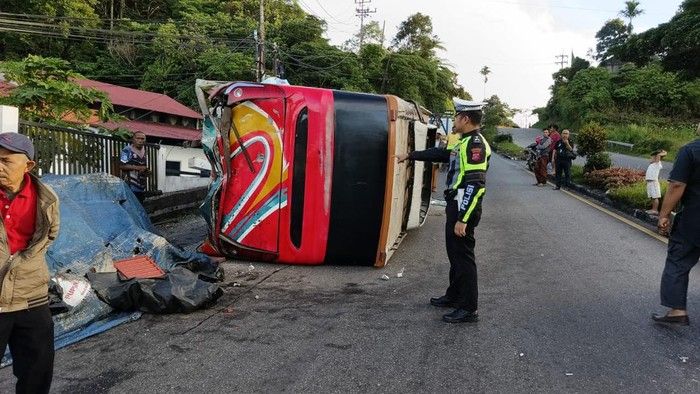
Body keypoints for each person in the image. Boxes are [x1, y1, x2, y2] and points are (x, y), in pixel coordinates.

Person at [396, 98, 491, 324]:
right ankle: (455, 295)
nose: (455, 120)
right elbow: (441, 154)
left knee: (464, 257)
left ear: (465, 119)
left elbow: (475, 184)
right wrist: (410, 155)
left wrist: (463, 218)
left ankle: (469, 308)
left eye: (457, 117)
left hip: (463, 207)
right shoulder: (462, 141)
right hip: (455, 205)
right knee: (455, 254)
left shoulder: (475, 144)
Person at [0, 132, 59, 393]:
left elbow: (49, 235)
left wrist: (23, 264)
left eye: (6, 161)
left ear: (28, 166)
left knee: (37, 372)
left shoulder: (47, 198)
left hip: (31, 298)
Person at [652, 129, 700, 326]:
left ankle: (677, 311)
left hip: (694, 220)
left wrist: (663, 215)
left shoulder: (691, 150)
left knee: (678, 260)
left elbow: (676, 186)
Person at [119, 131, 149, 203]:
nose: (140, 140)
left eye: (142, 139)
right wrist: (138, 168)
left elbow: (143, 166)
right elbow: (122, 165)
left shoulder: (145, 150)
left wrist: (146, 171)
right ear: (133, 139)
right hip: (129, 186)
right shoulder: (127, 150)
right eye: (138, 138)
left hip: (141, 186)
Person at [645, 149, 667, 215]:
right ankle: (653, 209)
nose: (651, 158)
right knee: (652, 196)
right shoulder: (653, 164)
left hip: (654, 182)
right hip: (650, 183)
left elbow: (659, 155)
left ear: (656, 158)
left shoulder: (657, 164)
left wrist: (662, 152)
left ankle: (655, 210)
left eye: (652, 157)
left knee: (655, 197)